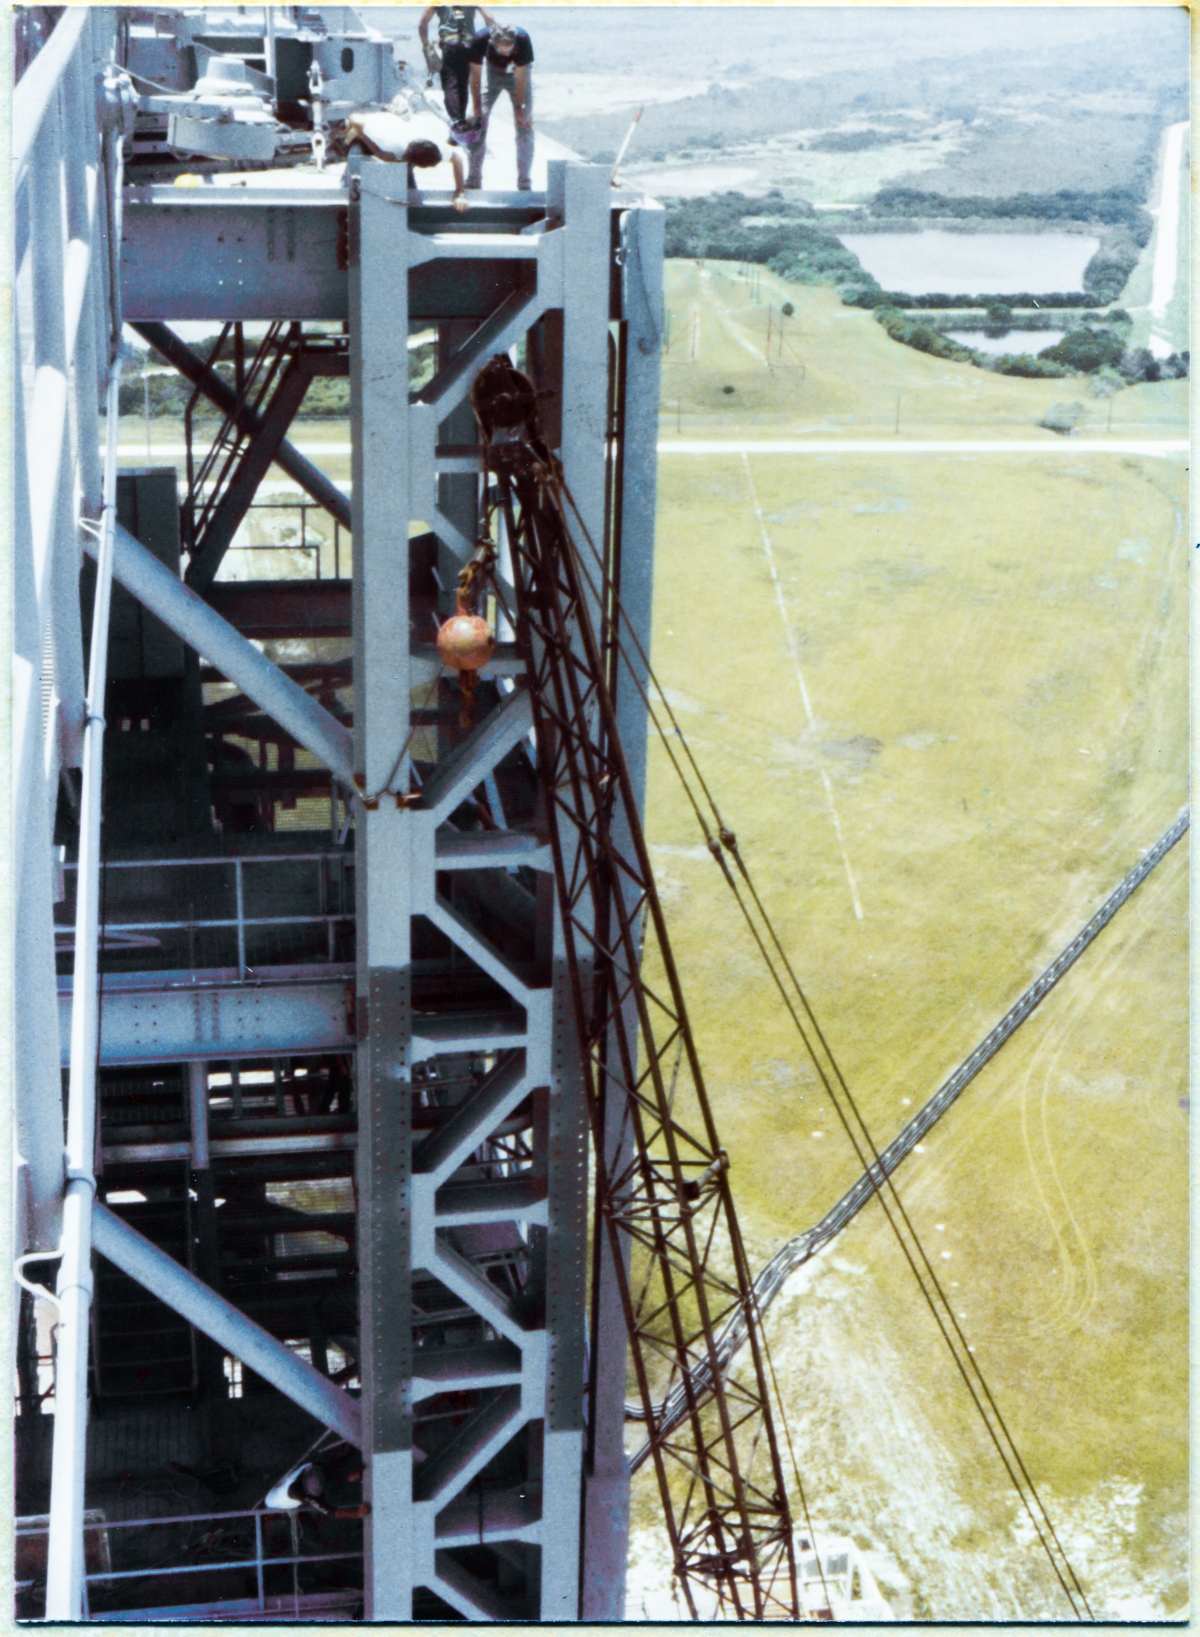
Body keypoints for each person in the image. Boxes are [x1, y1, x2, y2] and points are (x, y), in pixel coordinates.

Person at [342, 93, 469, 212]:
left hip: (393, 140)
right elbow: (354, 119)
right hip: (361, 132)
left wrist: (460, 193)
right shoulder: (391, 145)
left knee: (403, 181)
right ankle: (348, 184)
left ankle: (410, 198)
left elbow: (457, 160)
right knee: (358, 157)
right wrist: (374, 148)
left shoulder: (434, 144)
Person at [466, 21, 535, 192]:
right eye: (501, 47)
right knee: (477, 122)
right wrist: (476, 107)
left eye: (509, 47)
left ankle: (524, 181)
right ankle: (474, 178)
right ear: (492, 42)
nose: (505, 51)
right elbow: (475, 75)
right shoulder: (480, 39)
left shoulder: (523, 39)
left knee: (524, 126)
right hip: (492, 73)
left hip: (517, 75)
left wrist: (521, 110)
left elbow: (521, 76)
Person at [418, 5, 493, 126]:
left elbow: (423, 23)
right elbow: (489, 18)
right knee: (463, 84)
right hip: (469, 44)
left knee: (451, 84)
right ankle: (462, 119)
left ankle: (456, 121)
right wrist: (487, 41)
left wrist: (427, 46)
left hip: (450, 45)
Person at [264, 1457, 370, 1520]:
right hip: (275, 1500)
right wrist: (356, 1514)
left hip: (291, 1484)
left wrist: (354, 1474)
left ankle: (352, 1473)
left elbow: (331, 1474)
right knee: (268, 1502)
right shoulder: (310, 1498)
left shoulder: (306, 1470)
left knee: (331, 1469)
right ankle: (351, 1474)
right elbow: (332, 1512)